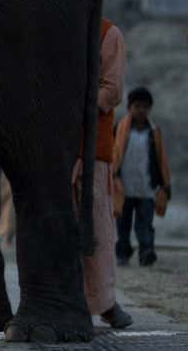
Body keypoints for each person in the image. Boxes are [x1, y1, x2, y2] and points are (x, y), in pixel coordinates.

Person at [79, 19, 132, 329]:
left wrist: (74, 105)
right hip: (57, 151)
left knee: (98, 229)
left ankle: (104, 302)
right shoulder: (59, 29)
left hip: (92, 150)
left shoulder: (108, 33)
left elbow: (111, 90)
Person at [114, 87, 171, 268]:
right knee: (122, 224)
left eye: (145, 107)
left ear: (150, 109)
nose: (141, 110)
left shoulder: (154, 133)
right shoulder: (120, 130)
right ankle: (123, 252)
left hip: (147, 187)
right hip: (124, 187)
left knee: (145, 224)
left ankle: (146, 252)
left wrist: (165, 184)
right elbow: (113, 157)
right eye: (137, 106)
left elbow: (161, 159)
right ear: (129, 107)